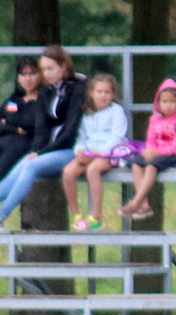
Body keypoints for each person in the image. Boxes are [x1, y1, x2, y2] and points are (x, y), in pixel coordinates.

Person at [0, 46, 86, 226]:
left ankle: (1, 215)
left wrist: (41, 153)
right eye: (44, 69)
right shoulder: (46, 92)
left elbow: (70, 132)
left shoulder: (77, 89)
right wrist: (36, 150)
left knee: (31, 165)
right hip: (49, 150)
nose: (46, 74)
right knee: (20, 167)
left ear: (64, 67)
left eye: (50, 69)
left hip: (72, 150)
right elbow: (41, 129)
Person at [119, 78, 176, 221]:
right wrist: (149, 152)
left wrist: (156, 153)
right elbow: (151, 140)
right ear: (158, 103)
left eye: (172, 101)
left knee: (151, 166)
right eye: (164, 102)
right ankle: (144, 205)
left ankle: (135, 202)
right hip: (156, 154)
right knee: (136, 163)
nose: (168, 105)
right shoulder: (154, 119)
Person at [62, 73, 127, 231]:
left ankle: (96, 216)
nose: (103, 96)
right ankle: (76, 214)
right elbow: (82, 137)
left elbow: (117, 137)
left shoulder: (116, 111)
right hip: (89, 152)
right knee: (68, 172)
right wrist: (80, 151)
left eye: (107, 92)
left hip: (110, 153)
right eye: (99, 92)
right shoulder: (86, 113)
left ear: (112, 94)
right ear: (91, 93)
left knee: (93, 170)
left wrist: (100, 152)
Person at [0, 57, 44, 182]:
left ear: (40, 75)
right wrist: (16, 129)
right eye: (23, 75)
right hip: (4, 140)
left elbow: (33, 123)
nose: (28, 79)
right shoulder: (14, 100)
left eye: (32, 74)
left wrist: (8, 121)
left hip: (25, 145)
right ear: (18, 78)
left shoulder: (44, 100)